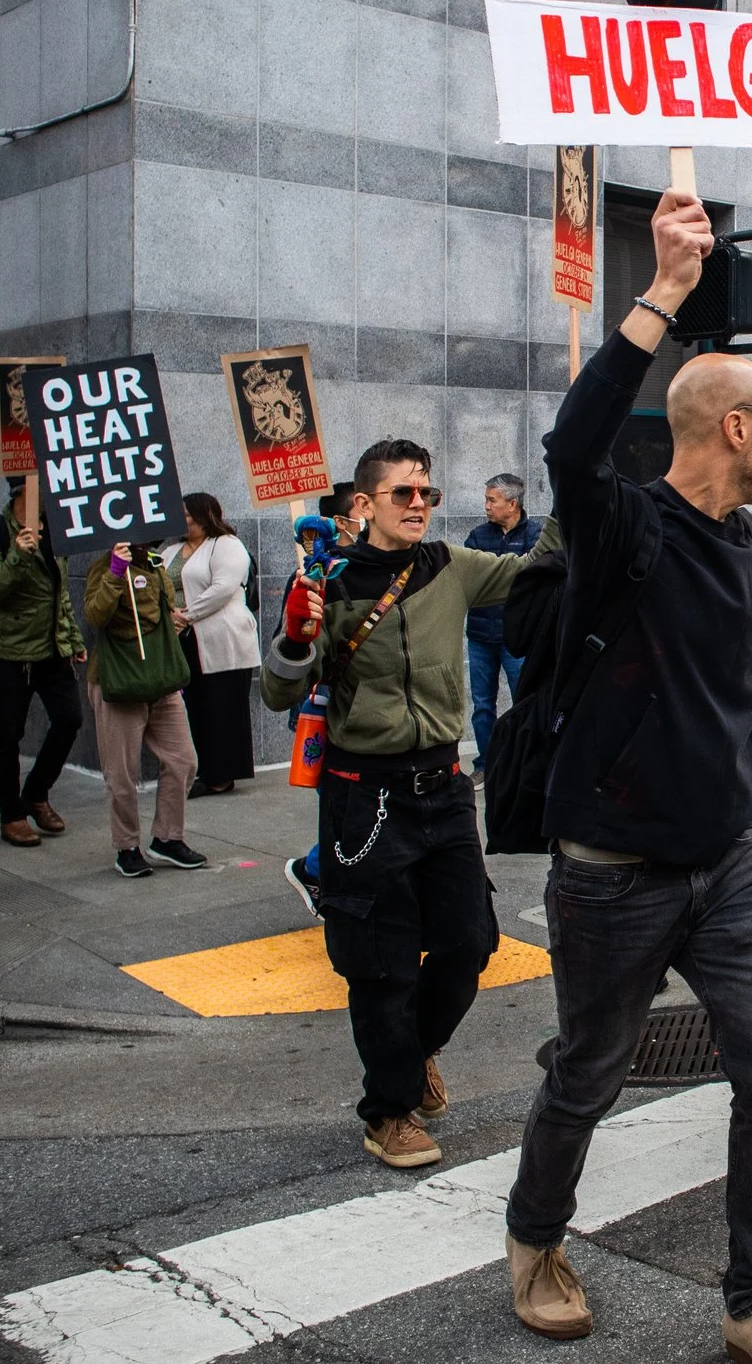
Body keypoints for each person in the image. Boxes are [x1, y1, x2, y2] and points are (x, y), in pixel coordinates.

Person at [503, 186, 752, 1364]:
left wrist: (750, 819)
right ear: (734, 426)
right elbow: (571, 447)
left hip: (728, 863)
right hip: (612, 872)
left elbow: (729, 706)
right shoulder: (626, 528)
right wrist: (663, 292)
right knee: (586, 1076)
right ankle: (535, 1237)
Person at [264, 438, 533, 1169]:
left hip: (444, 787)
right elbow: (279, 691)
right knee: (381, 965)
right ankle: (389, 1111)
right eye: (403, 493)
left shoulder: (449, 565)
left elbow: (537, 570)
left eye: (427, 493)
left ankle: (414, 1055)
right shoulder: (330, 581)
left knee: (469, 941)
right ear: (364, 504)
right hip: (364, 797)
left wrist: (581, 474)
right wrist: (297, 635)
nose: (419, 504)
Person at [85, 542, 206, 878]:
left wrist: (173, 618)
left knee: (183, 760)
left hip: (161, 677)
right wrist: (115, 573)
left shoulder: (155, 563)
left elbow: (163, 609)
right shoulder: (103, 565)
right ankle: (126, 846)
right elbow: (95, 615)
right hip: (120, 680)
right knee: (121, 773)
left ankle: (167, 838)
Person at [0, 485, 84, 847]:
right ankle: (12, 814)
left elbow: (60, 591)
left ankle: (36, 792)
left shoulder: (55, 528)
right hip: (9, 652)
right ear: (24, 490)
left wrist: (73, 638)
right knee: (8, 735)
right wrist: (18, 556)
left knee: (70, 719)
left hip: (51, 648)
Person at [166, 493, 258, 797]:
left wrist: (187, 616)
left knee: (222, 707)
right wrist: (169, 614)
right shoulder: (170, 551)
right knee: (195, 706)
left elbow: (223, 588)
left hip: (223, 640)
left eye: (186, 515)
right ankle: (201, 770)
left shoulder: (227, 545)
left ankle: (221, 775)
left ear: (203, 517)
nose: (181, 520)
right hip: (184, 639)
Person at [464, 474, 539, 779]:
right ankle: (486, 765)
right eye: (486, 499)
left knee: (525, 701)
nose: (486, 506)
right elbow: (470, 579)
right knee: (482, 705)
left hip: (518, 638)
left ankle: (523, 765)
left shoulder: (535, 536)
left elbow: (534, 582)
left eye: (491, 500)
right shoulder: (478, 537)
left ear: (512, 504)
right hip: (480, 636)